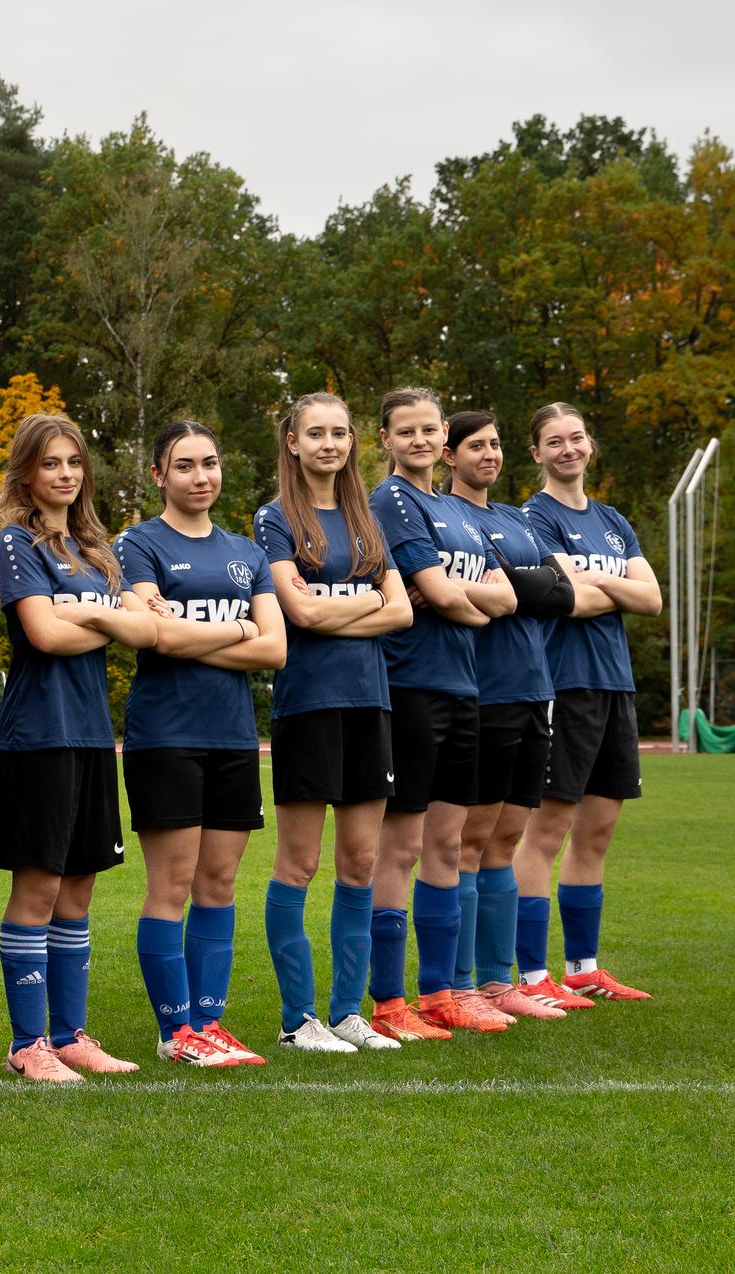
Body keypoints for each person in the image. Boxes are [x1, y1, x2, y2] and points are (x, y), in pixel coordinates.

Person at [0, 414, 157, 1083]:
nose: (64, 474)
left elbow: (144, 631)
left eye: (73, 463)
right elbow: (44, 637)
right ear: (26, 472)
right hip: (37, 737)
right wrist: (108, 621)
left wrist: (84, 613)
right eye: (50, 463)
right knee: (39, 887)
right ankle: (28, 1044)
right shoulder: (13, 544)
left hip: (90, 736)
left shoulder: (97, 550)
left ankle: (69, 1035)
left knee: (78, 891)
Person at [117, 420, 286, 1068]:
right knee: (172, 883)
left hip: (233, 738)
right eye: (184, 465)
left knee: (218, 882)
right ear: (159, 474)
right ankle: (174, 1031)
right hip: (166, 735)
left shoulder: (243, 552)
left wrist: (201, 632)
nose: (200, 477)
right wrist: (241, 629)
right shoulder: (137, 544)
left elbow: (276, 649)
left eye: (208, 463)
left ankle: (207, 1025)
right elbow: (151, 637)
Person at [254, 393, 413, 1054]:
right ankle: (298, 1021)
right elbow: (302, 617)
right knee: (299, 862)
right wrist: (358, 604)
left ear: (352, 442)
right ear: (291, 442)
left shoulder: (366, 518)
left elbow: (401, 611)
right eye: (314, 433)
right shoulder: (273, 519)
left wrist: (329, 607)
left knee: (360, 860)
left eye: (339, 433)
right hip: (307, 706)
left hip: (369, 704)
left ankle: (348, 1012)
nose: (329, 444)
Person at [365, 388, 517, 1041]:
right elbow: (435, 593)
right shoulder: (391, 500)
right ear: (385, 438)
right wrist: (464, 597)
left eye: (430, 428)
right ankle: (386, 1000)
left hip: (463, 686)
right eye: (408, 430)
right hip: (410, 687)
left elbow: (504, 598)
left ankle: (441, 992)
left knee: (447, 846)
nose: (421, 439)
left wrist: (462, 598)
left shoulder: (450, 510)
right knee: (399, 847)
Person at [514, 403, 663, 1003]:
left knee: (596, 833)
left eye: (576, 438)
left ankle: (582, 968)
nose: (568, 449)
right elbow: (566, 599)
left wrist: (598, 583)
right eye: (555, 441)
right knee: (545, 832)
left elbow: (651, 599)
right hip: (562, 685)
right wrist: (612, 588)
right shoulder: (532, 518)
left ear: (589, 444)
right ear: (537, 453)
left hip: (614, 685)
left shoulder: (612, 520)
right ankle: (529, 975)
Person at [442, 411, 576, 1022]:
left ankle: (500, 983)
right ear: (450, 456)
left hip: (534, 691)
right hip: (483, 692)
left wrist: (516, 587)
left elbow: (561, 590)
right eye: (475, 446)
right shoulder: (450, 520)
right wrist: (524, 588)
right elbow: (523, 591)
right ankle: (459, 984)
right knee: (469, 840)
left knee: (507, 839)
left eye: (495, 444)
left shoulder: (517, 518)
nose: (489, 454)